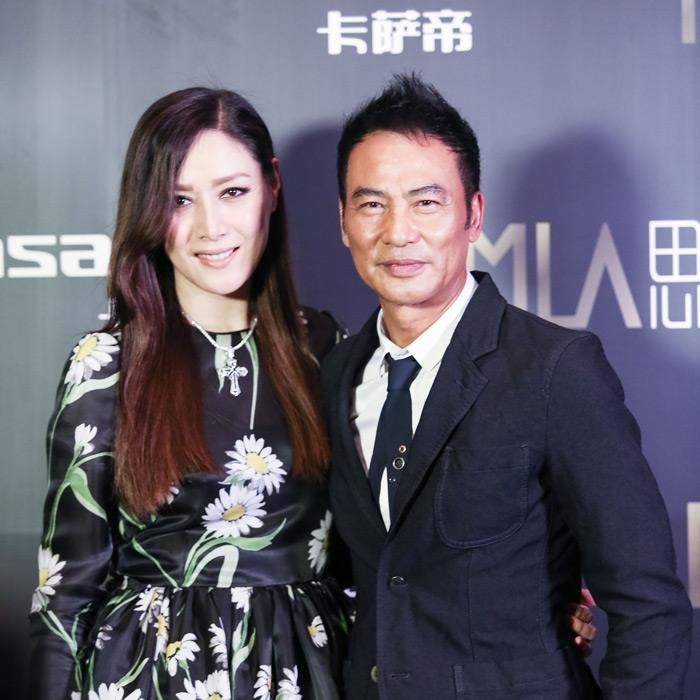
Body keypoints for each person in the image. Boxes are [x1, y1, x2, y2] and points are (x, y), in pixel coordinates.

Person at [322, 74, 693, 699]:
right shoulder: (336, 373)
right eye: (371, 204)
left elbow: (647, 603)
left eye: (426, 202)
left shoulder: (555, 369)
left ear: (473, 215)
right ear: (343, 221)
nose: (398, 231)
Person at [28, 87, 350, 700]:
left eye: (232, 192)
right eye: (180, 200)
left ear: (272, 185)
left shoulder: (327, 347)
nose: (210, 227)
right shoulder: (107, 365)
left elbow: (372, 557)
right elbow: (63, 594)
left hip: (303, 671)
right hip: (148, 676)